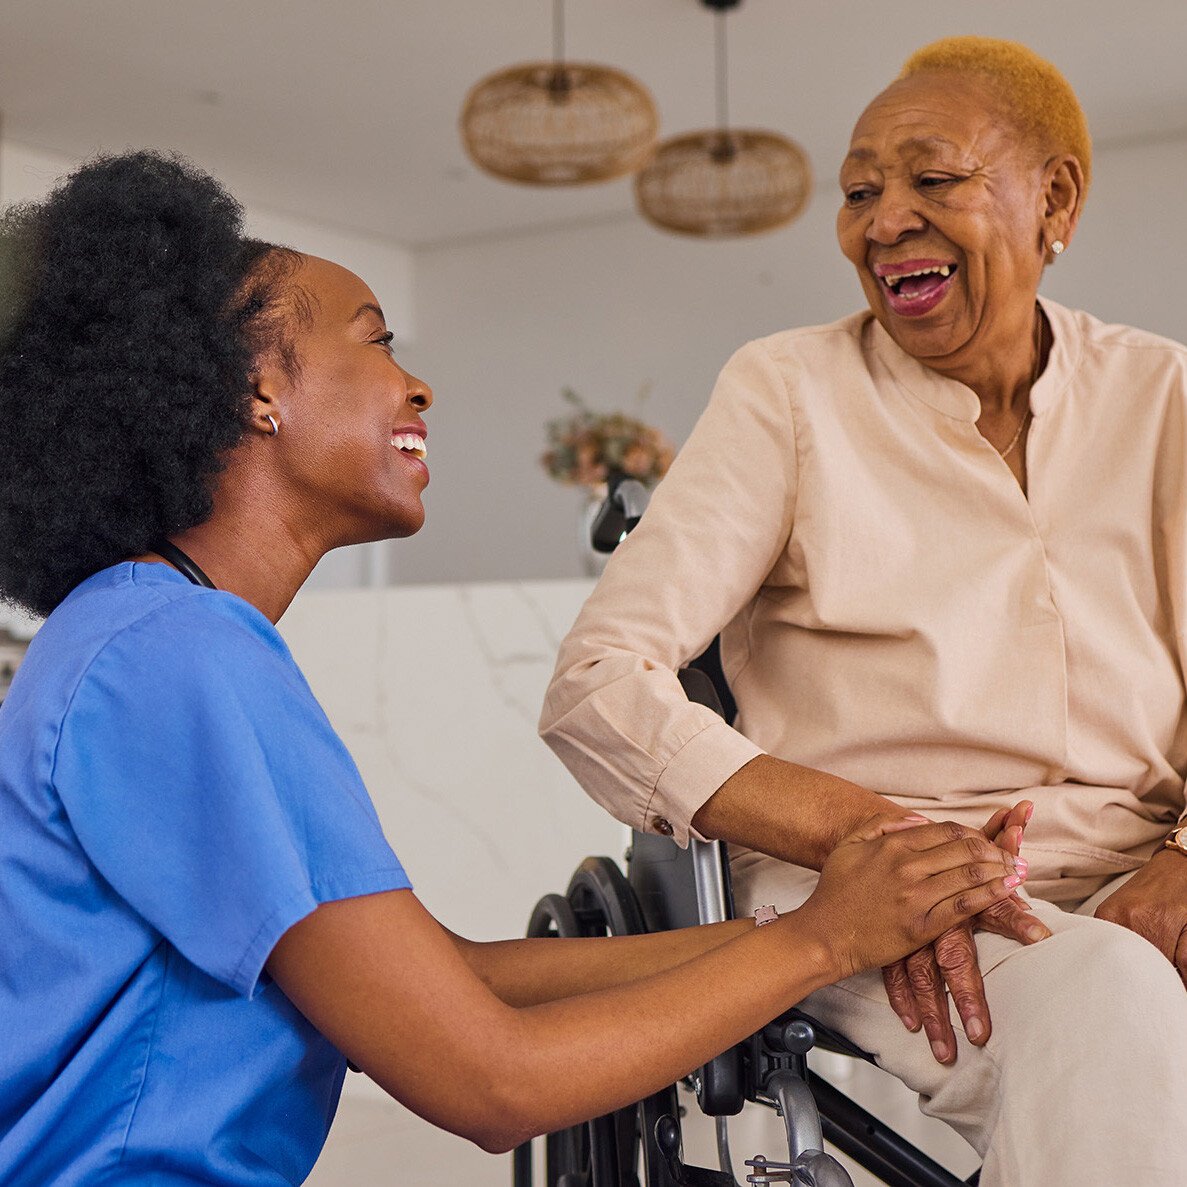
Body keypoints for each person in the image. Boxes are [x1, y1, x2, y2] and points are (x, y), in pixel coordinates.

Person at [0, 151, 1027, 1185]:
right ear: (257, 386)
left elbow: (454, 975)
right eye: (372, 337)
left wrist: (799, 930)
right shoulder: (179, 657)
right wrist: (816, 941)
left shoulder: (146, 636)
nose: (417, 383)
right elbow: (489, 1081)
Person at [540, 35, 1187, 1187]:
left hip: (1147, 867)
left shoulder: (1163, 396)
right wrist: (870, 841)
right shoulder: (786, 391)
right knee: (1109, 993)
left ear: (1055, 199)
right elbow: (598, 684)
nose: (882, 221)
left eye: (930, 179)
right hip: (872, 901)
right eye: (856, 190)